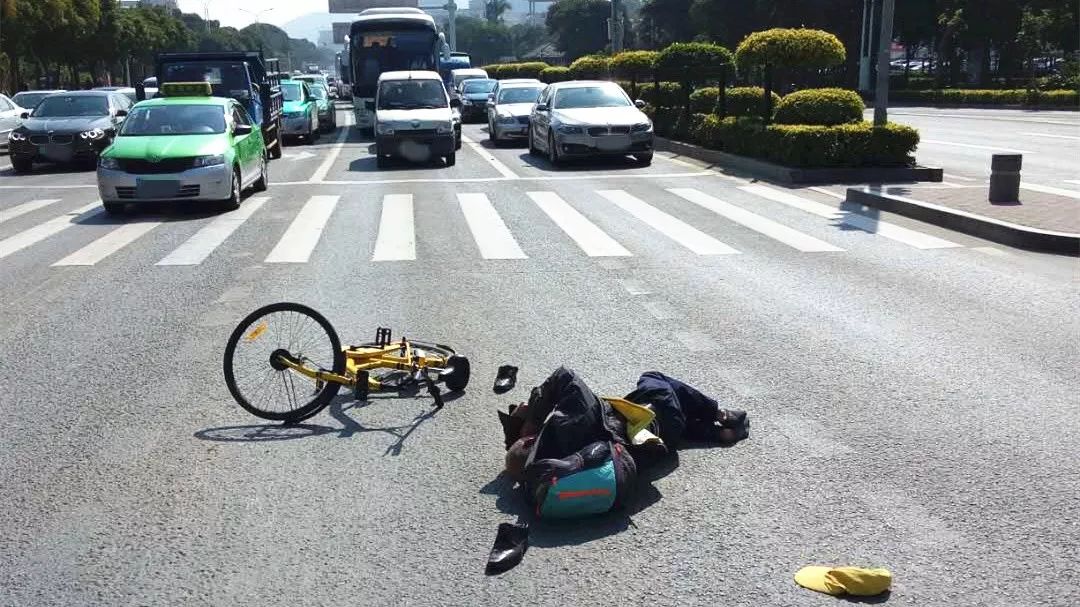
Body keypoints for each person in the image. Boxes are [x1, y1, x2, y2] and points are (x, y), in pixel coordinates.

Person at [501, 368, 749, 480]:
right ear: (532, 441)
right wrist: (531, 421)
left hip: (654, 442)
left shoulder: (559, 463)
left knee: (661, 403)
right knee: (652, 379)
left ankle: (718, 433)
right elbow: (563, 376)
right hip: (656, 419)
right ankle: (719, 413)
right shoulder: (567, 425)